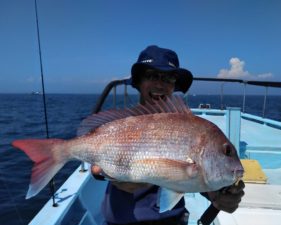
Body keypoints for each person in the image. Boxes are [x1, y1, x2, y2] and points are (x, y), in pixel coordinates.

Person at [91, 45, 245, 225]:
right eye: (151, 75)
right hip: (121, 220)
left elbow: (196, 176)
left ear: (174, 85)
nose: (160, 84)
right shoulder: (120, 125)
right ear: (139, 82)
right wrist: (101, 173)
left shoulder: (192, 128)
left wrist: (219, 195)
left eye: (168, 78)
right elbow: (96, 163)